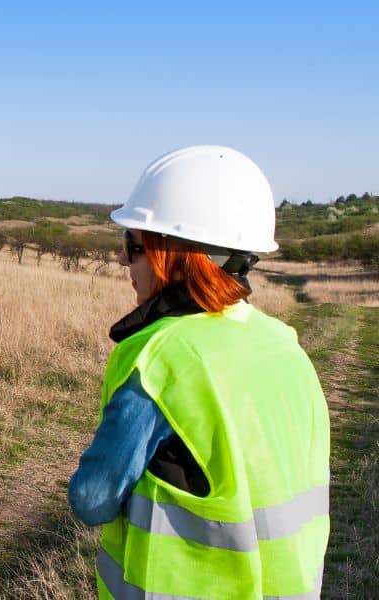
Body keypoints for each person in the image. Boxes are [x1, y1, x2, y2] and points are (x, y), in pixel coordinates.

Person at [68, 146, 330, 598]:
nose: (124, 262)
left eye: (133, 247)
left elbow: (93, 500)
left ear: (175, 255)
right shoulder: (284, 343)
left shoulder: (159, 357)